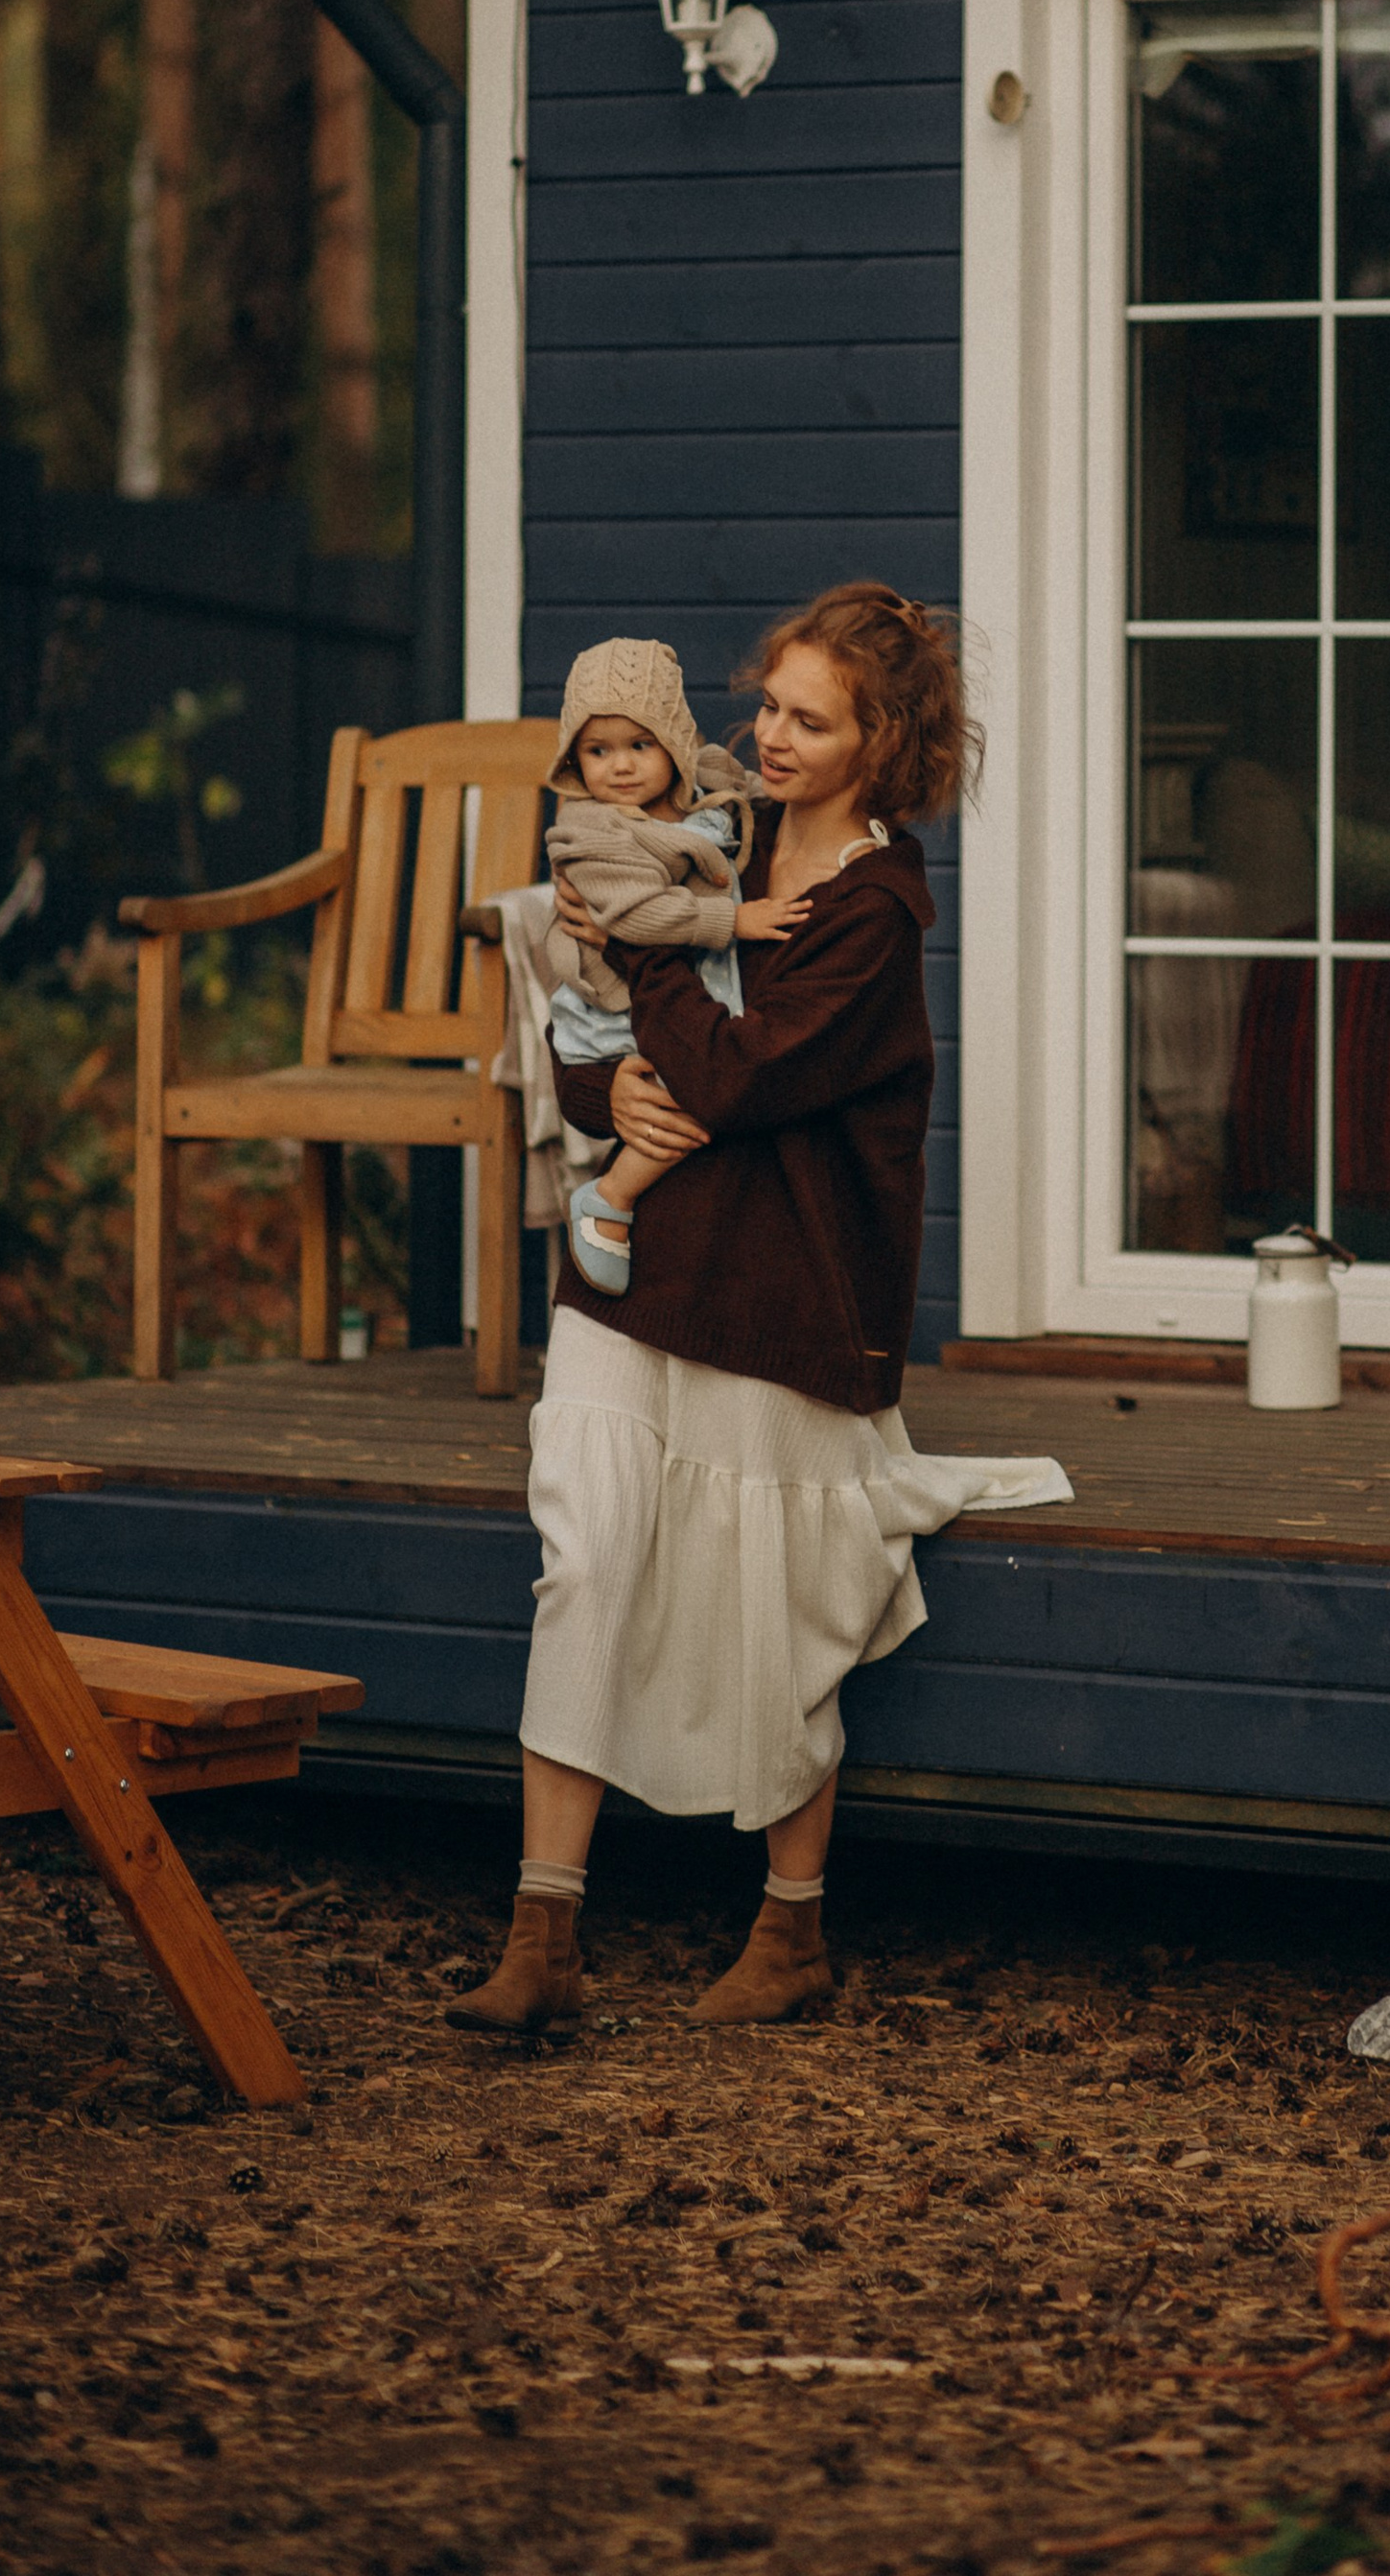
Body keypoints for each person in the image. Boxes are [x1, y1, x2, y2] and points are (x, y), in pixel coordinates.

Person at [446, 583, 1068, 2041]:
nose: (772, 735)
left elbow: (736, 1079)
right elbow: (593, 1047)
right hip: (641, 1264)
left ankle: (792, 1932)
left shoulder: (871, 915)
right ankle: (543, 1932)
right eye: (768, 706)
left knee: (771, 1599)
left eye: (811, 718)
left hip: (787, 1294)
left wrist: (649, 951)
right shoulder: (707, 826)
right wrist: (616, 1068)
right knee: (585, 1560)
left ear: (883, 741)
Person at [538, 635, 809, 1290]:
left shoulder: (698, 788)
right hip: (615, 1012)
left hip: (676, 995)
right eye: (597, 751)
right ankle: (611, 1197)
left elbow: (743, 790)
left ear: (676, 746)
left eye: (641, 744)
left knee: (707, 1082)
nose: (621, 767)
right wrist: (732, 919)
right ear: (575, 756)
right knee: (685, 1092)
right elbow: (634, 919)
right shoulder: (593, 832)